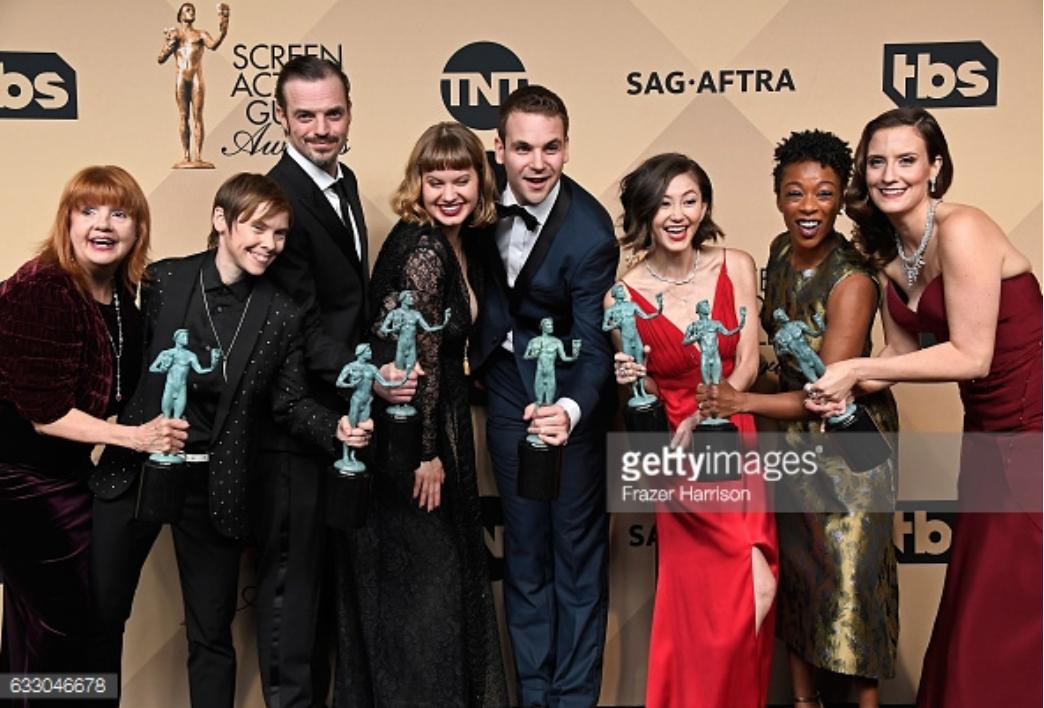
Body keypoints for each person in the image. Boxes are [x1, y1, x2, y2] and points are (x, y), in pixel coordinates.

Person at [87, 173, 369, 708]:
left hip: (214, 487)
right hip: (135, 469)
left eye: (281, 234)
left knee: (211, 636)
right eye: (258, 228)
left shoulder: (283, 313)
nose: (270, 243)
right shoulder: (162, 281)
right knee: (100, 619)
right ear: (222, 221)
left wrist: (335, 428)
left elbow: (288, 404)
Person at [809, 108, 1042, 708]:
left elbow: (971, 356)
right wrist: (840, 385)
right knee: (977, 589)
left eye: (907, 160)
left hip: (1033, 424)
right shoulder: (891, 255)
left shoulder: (962, 229)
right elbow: (902, 354)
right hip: (987, 429)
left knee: (1011, 598)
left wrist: (860, 368)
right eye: (877, 161)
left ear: (935, 168)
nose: (890, 174)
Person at [698, 131, 900, 708]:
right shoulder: (780, 254)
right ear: (778, 197)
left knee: (852, 591)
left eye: (824, 193)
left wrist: (741, 403)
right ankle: (805, 702)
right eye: (795, 193)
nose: (808, 207)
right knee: (803, 585)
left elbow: (826, 393)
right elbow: (782, 370)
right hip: (794, 446)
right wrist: (736, 381)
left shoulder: (852, 278)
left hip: (851, 453)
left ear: (841, 198)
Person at [335, 121, 507, 707]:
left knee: (435, 596)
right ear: (418, 183)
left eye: (461, 179)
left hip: (442, 428)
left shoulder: (461, 242)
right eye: (436, 181)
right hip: (408, 442)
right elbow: (414, 366)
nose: (449, 192)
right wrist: (426, 453)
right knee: (422, 600)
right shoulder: (422, 249)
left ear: (480, 182)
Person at [260, 55, 415, 708]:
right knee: (294, 592)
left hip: (346, 417)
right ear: (281, 119)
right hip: (300, 420)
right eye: (306, 116)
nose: (321, 128)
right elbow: (297, 319)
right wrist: (368, 375)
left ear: (349, 112)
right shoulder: (279, 197)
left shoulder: (344, 182)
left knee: (327, 591)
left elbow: (343, 302)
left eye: (332, 113)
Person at [0, 166, 183, 695]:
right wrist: (138, 438)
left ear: (137, 228)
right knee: (65, 628)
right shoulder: (43, 289)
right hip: (22, 485)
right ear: (68, 221)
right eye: (89, 211)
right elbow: (44, 412)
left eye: (119, 213)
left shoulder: (122, 295)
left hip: (69, 480)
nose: (103, 225)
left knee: (36, 628)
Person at [468, 85, 619, 707]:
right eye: (523, 147)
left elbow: (596, 342)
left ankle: (573, 698)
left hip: (572, 395)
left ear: (567, 147)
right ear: (498, 148)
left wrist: (571, 412)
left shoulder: (590, 232)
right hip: (505, 387)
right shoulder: (467, 194)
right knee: (526, 547)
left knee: (576, 556)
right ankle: (533, 694)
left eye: (551, 148)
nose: (537, 163)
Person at [609, 152, 776, 707]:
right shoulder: (622, 297)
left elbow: (748, 364)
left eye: (689, 200)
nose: (677, 214)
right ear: (644, 213)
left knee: (757, 587)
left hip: (730, 437)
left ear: (705, 207)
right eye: (663, 204)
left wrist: (712, 411)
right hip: (677, 461)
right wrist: (635, 381)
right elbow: (649, 396)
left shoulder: (738, 266)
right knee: (696, 608)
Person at [157, 2, 230, 168]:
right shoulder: (175, 34)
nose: (191, 13)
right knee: (183, 116)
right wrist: (169, 44)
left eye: (193, 10)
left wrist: (223, 31)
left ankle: (198, 155)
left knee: (198, 115)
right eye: (188, 10)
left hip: (196, 76)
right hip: (181, 77)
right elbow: (160, 59)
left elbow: (213, 45)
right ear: (181, 15)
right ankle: (186, 155)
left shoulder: (200, 34)